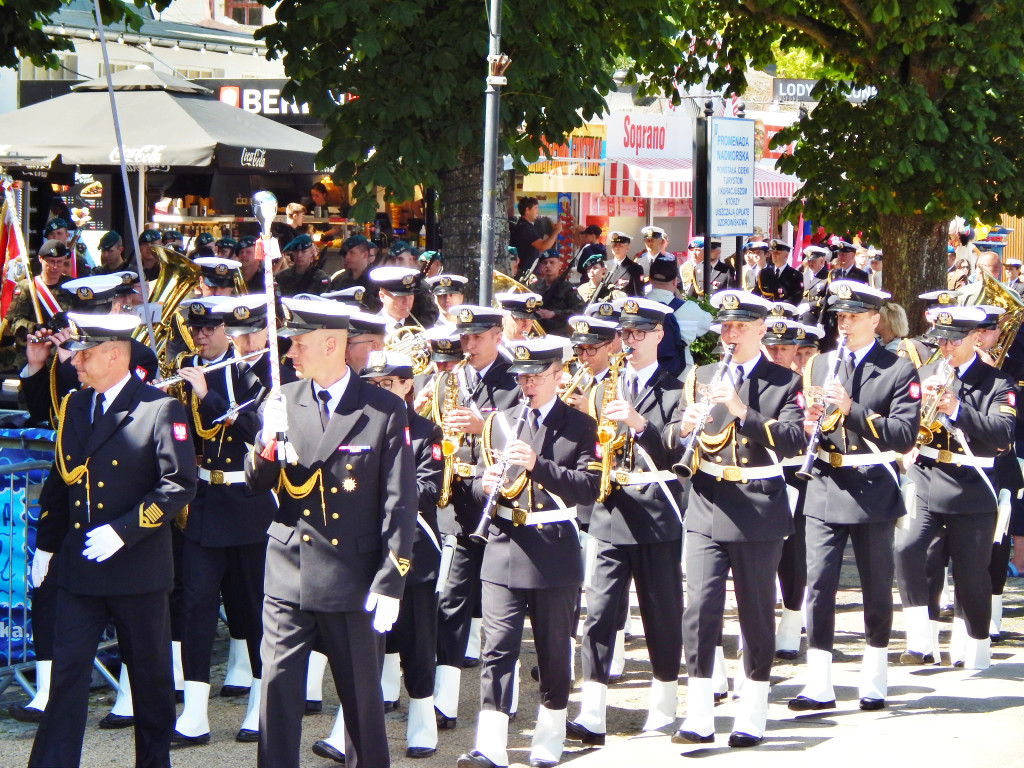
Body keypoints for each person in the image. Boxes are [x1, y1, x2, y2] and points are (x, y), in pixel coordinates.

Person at [246, 297, 417, 768]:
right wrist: (265, 443)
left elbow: (399, 501)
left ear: (330, 344)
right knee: (277, 696)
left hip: (352, 575)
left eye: (298, 344)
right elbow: (255, 482)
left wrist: (391, 579)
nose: (290, 354)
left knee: (361, 702)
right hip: (289, 571)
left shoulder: (381, 409)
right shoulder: (281, 400)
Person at [27, 312, 197, 768]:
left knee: (150, 683)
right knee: (65, 678)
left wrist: (124, 531)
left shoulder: (158, 408)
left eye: (85, 354)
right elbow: (61, 482)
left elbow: (178, 482)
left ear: (116, 355)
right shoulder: (77, 406)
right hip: (81, 567)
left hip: (137, 569)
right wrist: (46, 545)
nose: (75, 363)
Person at [457, 337, 599, 768]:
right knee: (497, 647)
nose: (528, 384)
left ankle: (550, 736)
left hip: (551, 550)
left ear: (558, 376)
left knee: (554, 649)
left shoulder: (579, 426)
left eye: (536, 376)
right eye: (522, 377)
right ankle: (491, 745)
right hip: (502, 546)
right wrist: (484, 482)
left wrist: (539, 465)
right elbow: (473, 473)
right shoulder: (500, 420)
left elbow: (589, 488)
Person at [672, 290, 804, 748]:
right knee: (700, 609)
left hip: (757, 506)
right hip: (707, 501)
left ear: (761, 329)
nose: (730, 335)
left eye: (740, 327)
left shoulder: (783, 381)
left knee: (754, 610)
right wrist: (685, 426)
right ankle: (700, 711)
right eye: (725, 327)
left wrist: (742, 411)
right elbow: (671, 436)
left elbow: (790, 441)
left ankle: (753, 707)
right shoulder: (701, 375)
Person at [789, 280, 920, 713]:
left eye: (853, 317)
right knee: (819, 585)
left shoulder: (898, 369)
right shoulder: (821, 363)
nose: (843, 324)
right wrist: (810, 421)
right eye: (839, 317)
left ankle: (874, 675)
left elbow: (903, 436)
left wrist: (852, 409)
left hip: (872, 487)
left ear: (874, 320)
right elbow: (808, 418)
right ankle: (819, 682)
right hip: (825, 484)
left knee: (876, 586)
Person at [314, 351, 444, 763]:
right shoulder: (360, 422)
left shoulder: (425, 431)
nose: (380, 390)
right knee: (363, 648)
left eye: (389, 383)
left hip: (413, 551)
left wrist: (385, 493)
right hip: (367, 553)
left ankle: (423, 720)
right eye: (373, 383)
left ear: (407, 385)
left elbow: (427, 488)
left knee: (418, 641)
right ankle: (346, 730)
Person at [568, 297, 685, 746]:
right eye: (627, 334)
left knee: (661, 611)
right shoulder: (603, 388)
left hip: (656, 511)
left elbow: (677, 452)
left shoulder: (678, 388)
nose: (632, 341)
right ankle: (592, 710)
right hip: (610, 508)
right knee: (597, 614)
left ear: (658, 335)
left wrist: (638, 423)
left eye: (641, 333)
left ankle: (663, 704)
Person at [169, 298, 271, 746]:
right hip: (203, 504)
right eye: (197, 329)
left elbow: (254, 429)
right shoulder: (183, 368)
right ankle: (194, 713)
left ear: (226, 330)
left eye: (210, 328)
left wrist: (207, 395)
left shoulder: (250, 371)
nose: (202, 335)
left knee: (251, 608)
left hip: (245, 503)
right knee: (195, 608)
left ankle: (259, 703)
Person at [896, 306, 1015, 670]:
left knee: (971, 570)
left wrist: (957, 408)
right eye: (940, 339)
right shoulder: (925, 373)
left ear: (974, 338)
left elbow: (1003, 434)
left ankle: (975, 645)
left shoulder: (998, 383)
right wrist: (917, 408)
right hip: (926, 476)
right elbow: (900, 423)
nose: (945, 347)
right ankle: (920, 640)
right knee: (907, 547)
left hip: (971, 485)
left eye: (953, 340)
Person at [431, 306, 520, 730]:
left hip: (501, 499)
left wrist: (483, 422)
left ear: (497, 335)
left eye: (477, 337)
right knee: (451, 600)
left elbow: (527, 435)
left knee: (504, 606)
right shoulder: (451, 378)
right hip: (459, 500)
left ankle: (508, 695)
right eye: (464, 338)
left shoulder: (519, 376)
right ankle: (444, 700)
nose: (467, 345)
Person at [2, 239, 76, 371]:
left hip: (64, 355)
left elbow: (84, 316)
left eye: (59, 261)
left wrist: (68, 319)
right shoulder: (27, 287)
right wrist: (35, 327)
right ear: (41, 259)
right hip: (32, 355)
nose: (55, 266)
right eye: (51, 262)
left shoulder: (72, 286)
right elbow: (14, 321)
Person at [647, 254, 712, 377]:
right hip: (680, 374)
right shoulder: (689, 308)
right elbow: (709, 323)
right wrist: (681, 301)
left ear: (650, 279)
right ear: (675, 281)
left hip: (646, 373)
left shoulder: (637, 306)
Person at [527, 251, 582, 335]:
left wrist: (554, 314)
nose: (548, 265)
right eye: (545, 263)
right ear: (541, 267)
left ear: (560, 265)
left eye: (552, 262)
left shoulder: (568, 288)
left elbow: (580, 310)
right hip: (536, 333)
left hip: (559, 335)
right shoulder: (533, 288)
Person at [329, 234, 382, 312]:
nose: (347, 258)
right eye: (346, 253)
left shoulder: (378, 280)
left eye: (352, 253)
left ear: (365, 255)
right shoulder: (339, 279)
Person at [510, 197, 559, 277]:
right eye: (535, 208)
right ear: (527, 210)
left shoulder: (526, 226)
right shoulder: (524, 228)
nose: (537, 212)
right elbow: (543, 247)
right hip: (525, 272)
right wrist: (556, 231)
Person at [371, 265, 423, 331]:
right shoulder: (369, 329)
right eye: (399, 296)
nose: (406, 302)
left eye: (410, 295)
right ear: (382, 296)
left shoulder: (419, 328)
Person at [755, 239, 804, 305]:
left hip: (785, 311)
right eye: (773, 253)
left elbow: (796, 297)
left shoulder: (795, 275)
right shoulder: (764, 273)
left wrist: (779, 307)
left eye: (777, 253)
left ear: (786, 256)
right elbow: (756, 293)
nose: (774, 255)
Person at [602, 232, 646, 298]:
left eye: (620, 245)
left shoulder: (635, 268)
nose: (616, 248)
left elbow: (637, 293)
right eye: (614, 245)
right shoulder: (605, 265)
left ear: (627, 248)